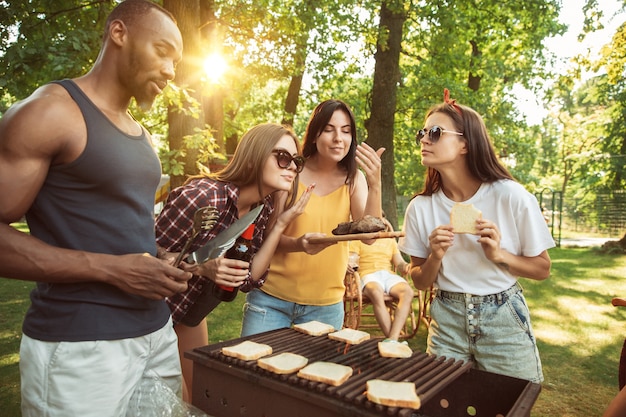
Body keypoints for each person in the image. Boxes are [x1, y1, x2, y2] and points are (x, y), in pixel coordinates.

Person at [0, 1, 191, 416]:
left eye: (176, 61)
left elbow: (117, 228)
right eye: (162, 51)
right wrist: (113, 269)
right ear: (119, 33)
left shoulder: (142, 134)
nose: (172, 71)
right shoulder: (51, 111)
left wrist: (159, 259)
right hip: (80, 346)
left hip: (156, 333)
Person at [398, 89, 555, 383]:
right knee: (442, 405)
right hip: (447, 317)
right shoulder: (420, 207)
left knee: (509, 405)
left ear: (465, 144)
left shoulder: (510, 196)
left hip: (504, 318)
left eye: (435, 133)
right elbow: (419, 279)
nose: (423, 139)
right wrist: (435, 256)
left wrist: (499, 255)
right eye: (423, 132)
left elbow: (542, 268)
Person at [155, 122, 312, 401]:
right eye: (283, 157)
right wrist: (202, 267)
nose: (291, 167)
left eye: (296, 161)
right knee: (174, 402)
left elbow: (250, 278)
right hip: (152, 317)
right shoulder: (204, 196)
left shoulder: (258, 211)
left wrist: (280, 224)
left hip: (189, 315)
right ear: (255, 155)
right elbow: (148, 254)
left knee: (201, 400)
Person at [240, 99, 385, 337]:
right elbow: (270, 237)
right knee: (250, 370)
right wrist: (299, 244)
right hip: (271, 299)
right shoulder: (290, 171)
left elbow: (369, 237)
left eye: (346, 131)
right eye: (329, 129)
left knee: (318, 375)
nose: (339, 138)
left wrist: (375, 183)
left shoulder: (353, 179)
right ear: (315, 134)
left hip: (325, 307)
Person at [348, 214, 413, 342]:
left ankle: (391, 340)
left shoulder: (389, 240)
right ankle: (393, 340)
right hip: (367, 275)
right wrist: (350, 262)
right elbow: (352, 259)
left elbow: (399, 263)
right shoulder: (358, 239)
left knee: (408, 292)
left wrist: (406, 266)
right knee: (376, 292)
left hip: (387, 275)